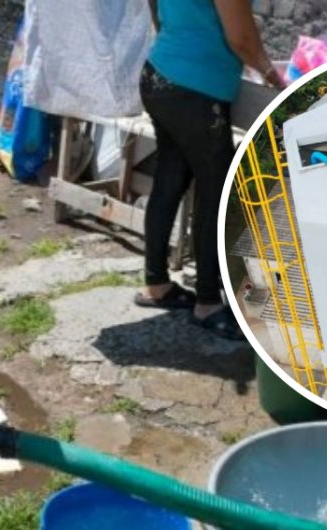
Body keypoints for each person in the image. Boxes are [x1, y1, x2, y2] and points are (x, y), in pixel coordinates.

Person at [136, 0, 283, 340]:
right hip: (195, 90)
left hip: (160, 73)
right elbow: (242, 38)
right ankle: (207, 303)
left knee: (170, 178)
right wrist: (273, 75)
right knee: (217, 191)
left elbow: (156, 8)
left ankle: (156, 284)